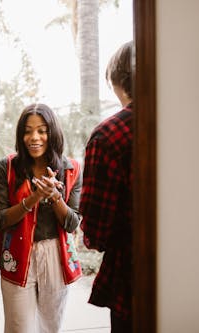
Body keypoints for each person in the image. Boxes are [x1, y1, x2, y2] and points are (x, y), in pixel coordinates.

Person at [0, 103, 83, 333]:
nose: (34, 137)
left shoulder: (71, 169)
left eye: (42, 130)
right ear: (20, 135)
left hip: (55, 254)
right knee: (18, 328)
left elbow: (72, 223)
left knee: (50, 327)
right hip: (18, 254)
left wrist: (53, 197)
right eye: (27, 131)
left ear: (52, 133)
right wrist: (32, 198)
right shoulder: (8, 168)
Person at [79, 40, 134, 333]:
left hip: (131, 277)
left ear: (117, 81)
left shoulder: (109, 135)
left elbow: (97, 232)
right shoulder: (180, 122)